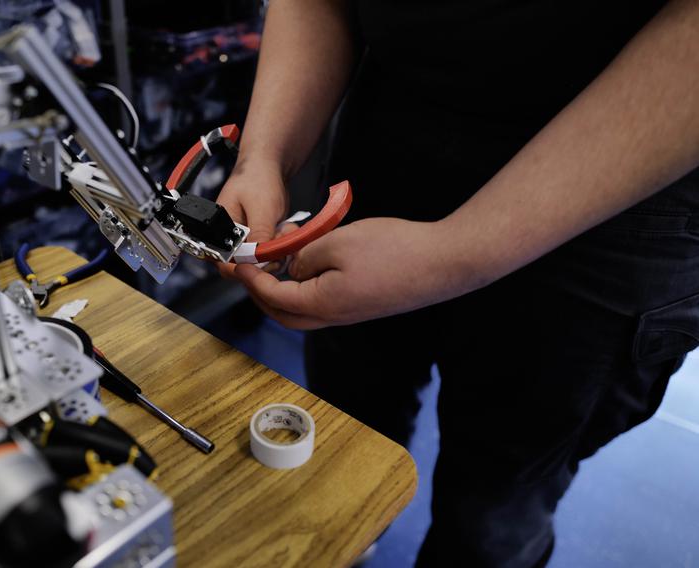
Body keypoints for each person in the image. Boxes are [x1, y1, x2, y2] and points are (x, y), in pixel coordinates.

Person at [215, 1, 699, 566]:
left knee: (492, 512)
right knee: (341, 441)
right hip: (392, 132)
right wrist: (264, 157)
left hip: (614, 199)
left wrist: (453, 254)